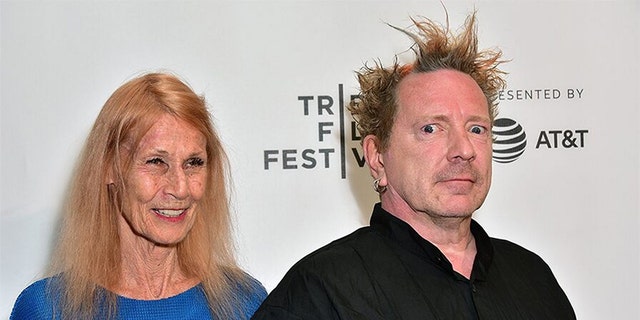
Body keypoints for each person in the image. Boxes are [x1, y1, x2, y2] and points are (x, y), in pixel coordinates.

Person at [252, 12, 576, 320]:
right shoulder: (320, 293)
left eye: (476, 129)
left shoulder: (532, 277)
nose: (463, 150)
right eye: (431, 129)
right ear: (377, 156)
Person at [11, 72, 266, 319]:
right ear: (108, 167)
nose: (180, 188)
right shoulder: (47, 309)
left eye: (193, 163)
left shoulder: (243, 302)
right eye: (156, 161)